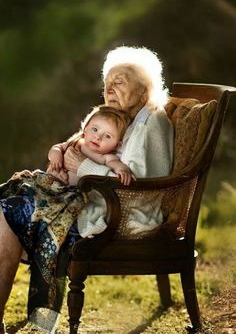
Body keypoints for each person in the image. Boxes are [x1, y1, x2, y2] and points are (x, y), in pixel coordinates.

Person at [0, 45, 174, 334]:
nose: (110, 88)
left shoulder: (149, 123)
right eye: (107, 84)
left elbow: (133, 185)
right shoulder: (124, 120)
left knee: (7, 214)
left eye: (119, 82)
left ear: (144, 91)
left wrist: (77, 167)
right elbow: (83, 147)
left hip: (116, 217)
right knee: (10, 203)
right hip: (95, 202)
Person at [47, 105, 134, 186]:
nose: (98, 137)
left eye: (107, 136)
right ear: (85, 129)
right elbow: (57, 147)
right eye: (95, 129)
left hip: (71, 195)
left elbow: (119, 166)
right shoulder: (77, 142)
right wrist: (56, 156)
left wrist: (123, 172)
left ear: (117, 145)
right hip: (49, 182)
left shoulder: (106, 158)